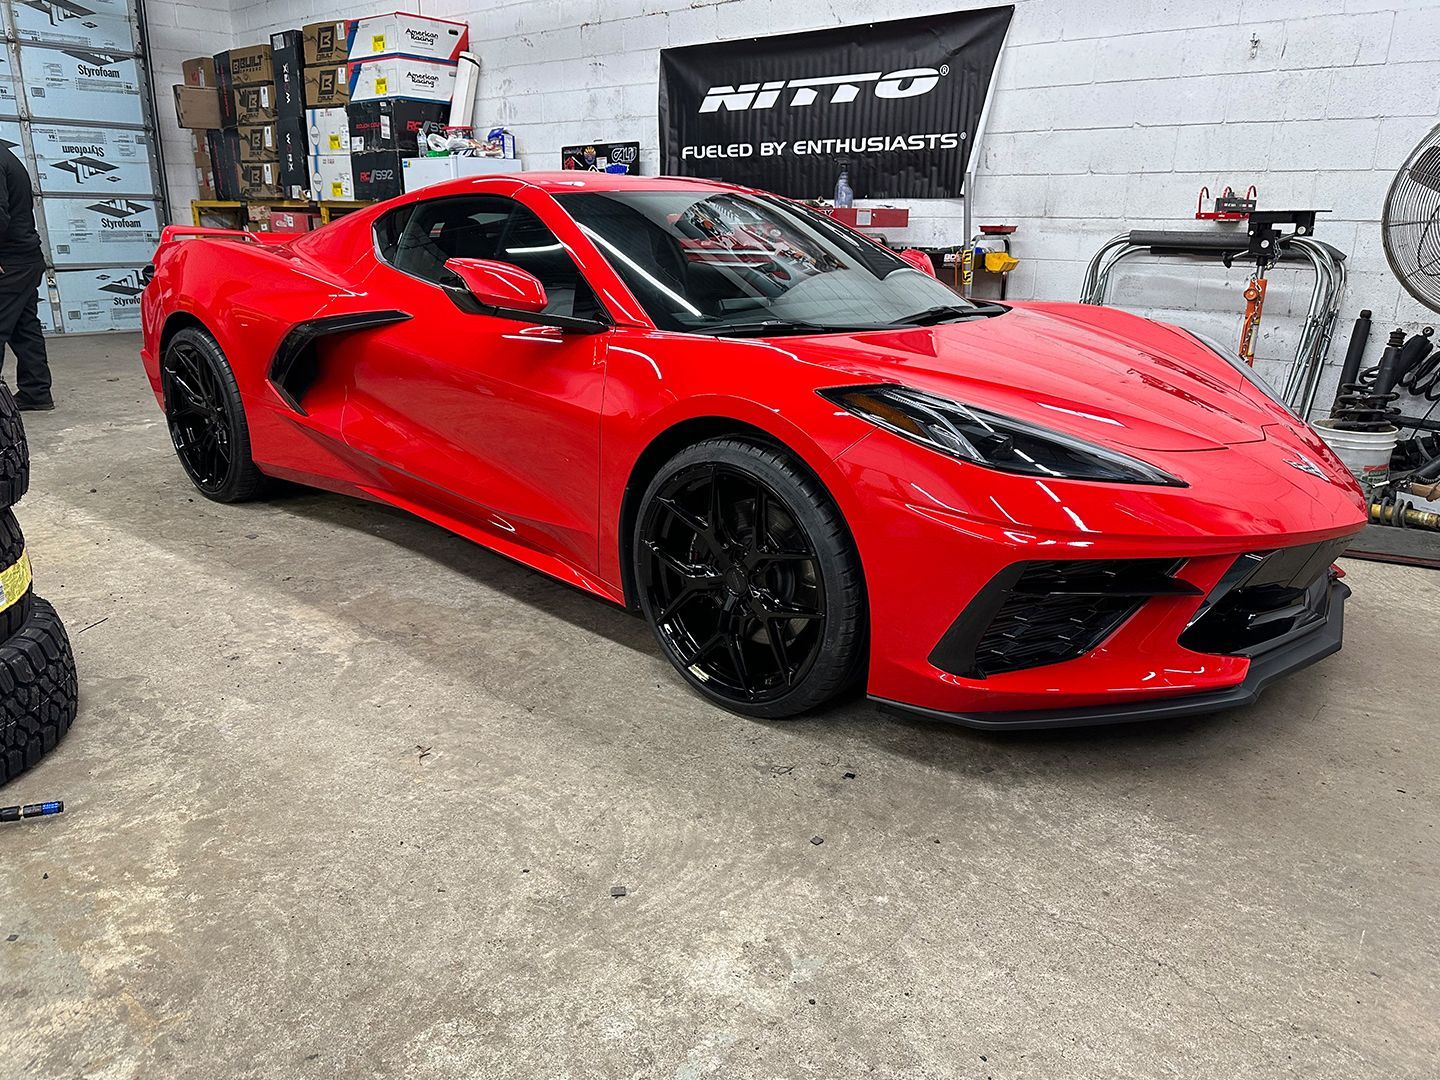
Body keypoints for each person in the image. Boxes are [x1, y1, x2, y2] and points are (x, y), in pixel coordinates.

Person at [0, 144, 52, 411]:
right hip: (25, 259)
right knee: (24, 327)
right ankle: (36, 392)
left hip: (11, 262)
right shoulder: (7, 156)